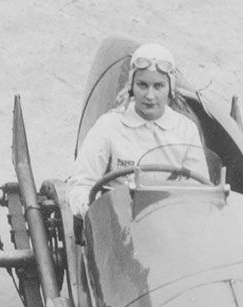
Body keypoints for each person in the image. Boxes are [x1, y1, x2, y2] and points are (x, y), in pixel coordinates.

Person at [67, 43, 206, 217]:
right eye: (142, 85)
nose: (150, 95)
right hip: (121, 222)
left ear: (170, 88)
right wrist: (92, 211)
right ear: (131, 86)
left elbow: (199, 191)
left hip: (171, 223)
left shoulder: (185, 129)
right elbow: (81, 183)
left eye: (158, 86)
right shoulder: (109, 125)